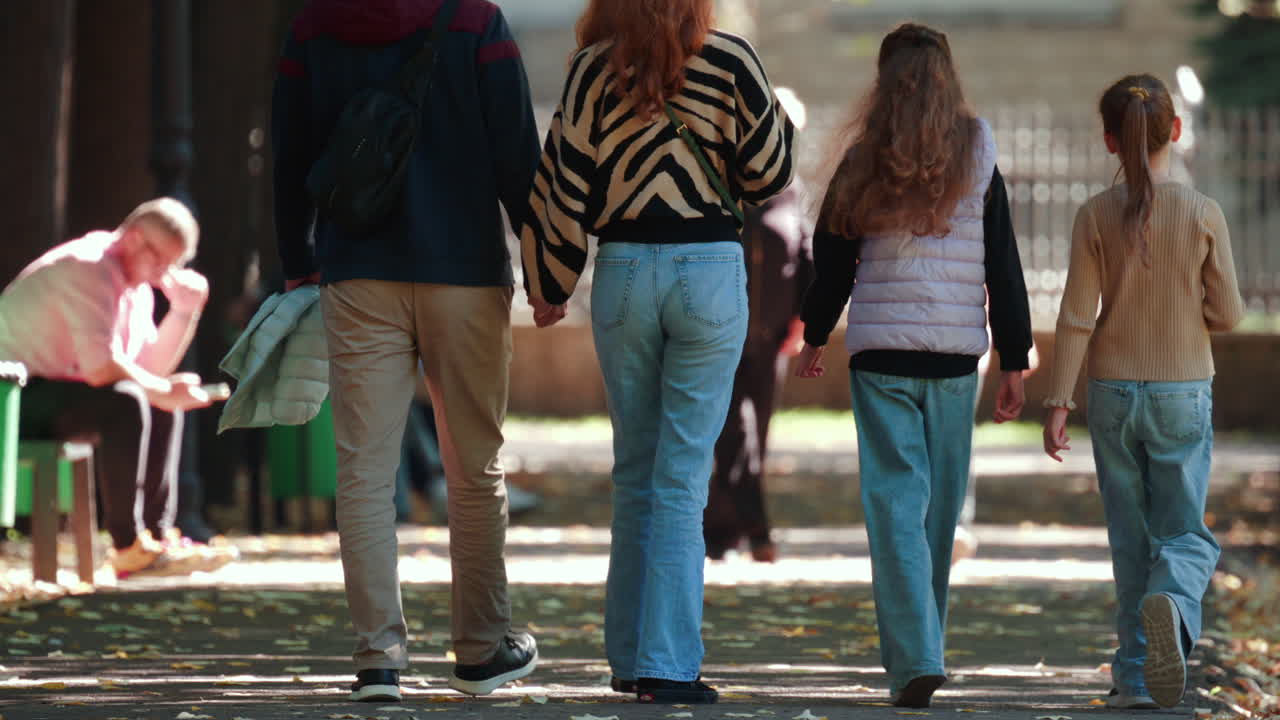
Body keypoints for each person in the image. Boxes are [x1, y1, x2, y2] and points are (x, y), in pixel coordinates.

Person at [521, 0, 795, 704]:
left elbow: (562, 182)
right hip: (708, 269)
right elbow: (770, 173)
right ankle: (667, 666)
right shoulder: (732, 61)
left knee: (635, 470)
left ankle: (628, 655)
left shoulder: (591, 69)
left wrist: (548, 282)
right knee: (682, 476)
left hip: (624, 272)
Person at [271, 0, 542, 703]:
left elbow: (290, 147)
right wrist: (549, 269)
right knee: (474, 466)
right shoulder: (475, 21)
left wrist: (297, 259)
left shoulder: (313, 24)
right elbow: (516, 150)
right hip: (466, 272)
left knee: (363, 471)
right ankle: (482, 650)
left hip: (357, 269)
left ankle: (378, 661)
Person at [795, 23, 1033, 709]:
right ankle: (922, 651)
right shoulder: (978, 152)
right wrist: (1014, 360)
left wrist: (814, 332)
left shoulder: (864, 158)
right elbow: (1004, 263)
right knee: (936, 512)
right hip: (956, 362)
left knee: (895, 506)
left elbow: (832, 255)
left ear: (882, 81)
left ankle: (916, 656)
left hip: (881, 360)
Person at [1042, 74, 1245, 710]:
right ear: (1175, 131)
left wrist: (1058, 402)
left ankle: (1134, 678)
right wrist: (1193, 310)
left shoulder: (1094, 214)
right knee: (1183, 534)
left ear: (1110, 140)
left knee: (1129, 537)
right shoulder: (1203, 211)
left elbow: (1076, 314)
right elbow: (1232, 313)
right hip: (1183, 388)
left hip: (1109, 392)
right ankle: (1173, 606)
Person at [0, 198, 235, 579]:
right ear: (135, 238)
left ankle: (155, 540)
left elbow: (149, 369)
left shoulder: (134, 286)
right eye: (160, 260)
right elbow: (101, 367)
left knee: (152, 398)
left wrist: (183, 311)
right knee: (128, 401)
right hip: (9, 397)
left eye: (172, 265)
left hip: (48, 390)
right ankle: (127, 545)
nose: (163, 275)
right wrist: (159, 389)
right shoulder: (88, 266)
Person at [703, 89, 813, 563]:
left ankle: (720, 532)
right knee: (733, 433)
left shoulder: (792, 190)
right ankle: (758, 529)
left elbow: (805, 251)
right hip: (720, 331)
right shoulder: (723, 181)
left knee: (754, 439)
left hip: (771, 337)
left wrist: (807, 318)